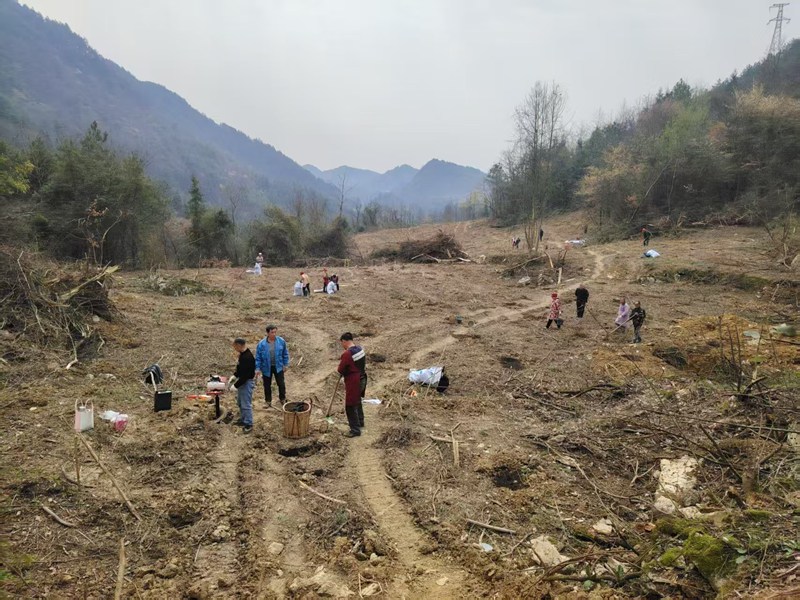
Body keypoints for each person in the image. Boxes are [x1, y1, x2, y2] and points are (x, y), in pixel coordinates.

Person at [255, 324, 289, 408]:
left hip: (278, 366)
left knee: (281, 384)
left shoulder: (281, 341)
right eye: (272, 332)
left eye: (275, 332)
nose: (274, 334)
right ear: (267, 333)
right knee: (267, 385)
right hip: (266, 367)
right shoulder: (261, 344)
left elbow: (285, 353)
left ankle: (282, 398)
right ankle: (268, 401)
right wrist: (257, 368)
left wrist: (285, 364)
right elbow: (258, 357)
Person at [337, 333, 364, 437]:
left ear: (344, 341)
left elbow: (340, 369)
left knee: (350, 405)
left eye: (342, 343)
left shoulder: (347, 354)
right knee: (358, 401)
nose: (342, 346)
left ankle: (355, 430)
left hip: (353, 381)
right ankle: (360, 422)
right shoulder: (360, 349)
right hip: (362, 378)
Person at [231, 338, 255, 433]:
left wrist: (235, 385)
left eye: (235, 346)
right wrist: (235, 375)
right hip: (242, 381)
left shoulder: (248, 357)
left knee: (246, 404)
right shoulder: (242, 355)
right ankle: (243, 419)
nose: (235, 348)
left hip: (246, 382)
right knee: (240, 403)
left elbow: (245, 375)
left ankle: (248, 423)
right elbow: (240, 369)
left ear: (239, 345)